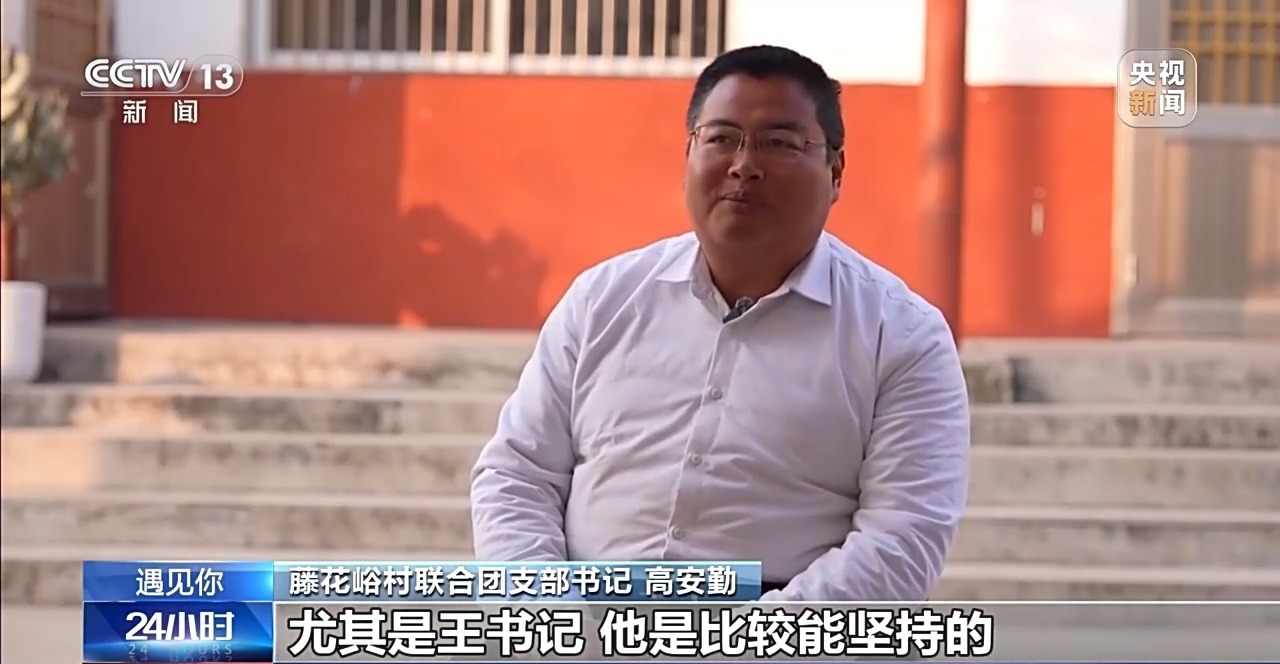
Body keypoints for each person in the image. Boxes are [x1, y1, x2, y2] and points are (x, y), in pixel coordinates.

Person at [470, 44, 970, 602]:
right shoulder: (602, 301)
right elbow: (517, 474)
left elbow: (904, 540)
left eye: (779, 143)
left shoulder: (900, 338)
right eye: (721, 138)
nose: (744, 165)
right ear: (689, 152)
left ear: (835, 172)